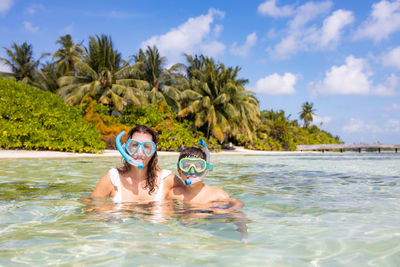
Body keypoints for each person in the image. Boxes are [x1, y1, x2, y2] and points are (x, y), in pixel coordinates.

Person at [91, 125, 183, 202]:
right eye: (134, 145)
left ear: (154, 151)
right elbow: (91, 209)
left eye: (147, 146)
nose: (140, 152)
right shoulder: (112, 178)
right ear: (126, 148)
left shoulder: (168, 180)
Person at [167, 142, 243, 211]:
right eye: (186, 166)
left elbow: (238, 204)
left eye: (197, 166)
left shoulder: (217, 194)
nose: (192, 171)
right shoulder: (174, 194)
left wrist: (225, 211)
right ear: (179, 172)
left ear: (206, 171)